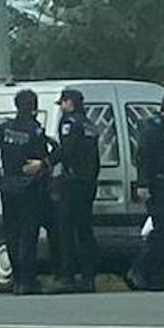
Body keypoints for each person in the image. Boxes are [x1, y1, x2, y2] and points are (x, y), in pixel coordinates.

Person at [0, 89, 54, 295]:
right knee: (28, 235)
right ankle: (29, 281)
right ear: (34, 107)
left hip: (8, 188)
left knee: (12, 234)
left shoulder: (5, 128)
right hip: (30, 189)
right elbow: (42, 158)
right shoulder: (35, 131)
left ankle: (17, 280)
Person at [127, 93, 164, 291]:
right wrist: (143, 184)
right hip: (157, 185)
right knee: (160, 230)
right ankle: (140, 270)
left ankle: (158, 275)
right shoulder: (153, 128)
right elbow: (144, 157)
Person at [51, 88, 101, 294]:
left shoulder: (70, 122)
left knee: (65, 230)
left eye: (62, 103)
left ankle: (67, 277)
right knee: (85, 230)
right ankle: (89, 277)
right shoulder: (90, 124)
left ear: (69, 102)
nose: (61, 107)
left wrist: (47, 161)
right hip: (88, 183)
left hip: (72, 182)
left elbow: (67, 151)